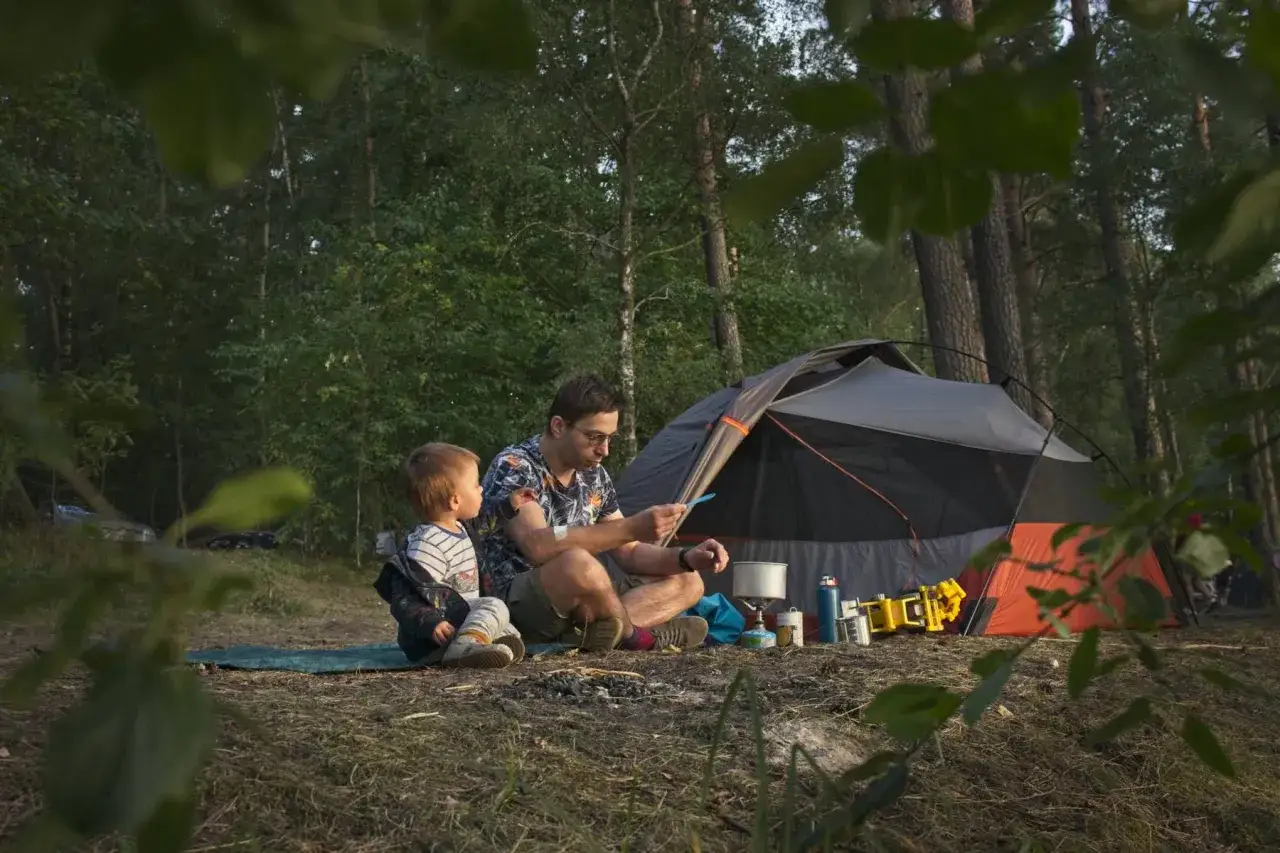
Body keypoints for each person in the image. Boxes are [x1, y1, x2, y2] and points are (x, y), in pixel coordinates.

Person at [475, 375, 729, 652]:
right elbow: (539, 544)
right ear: (558, 426)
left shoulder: (594, 475)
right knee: (578, 564)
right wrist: (632, 527)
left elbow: (630, 553)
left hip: (582, 601)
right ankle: (635, 637)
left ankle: (592, 634)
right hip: (519, 605)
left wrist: (686, 557)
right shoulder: (515, 466)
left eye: (609, 438)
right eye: (595, 437)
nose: (604, 450)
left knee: (688, 580)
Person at [373, 442, 525, 669]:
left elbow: (484, 522)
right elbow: (405, 594)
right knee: (494, 607)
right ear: (455, 500)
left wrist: (510, 504)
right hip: (432, 637)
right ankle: (465, 647)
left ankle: (480, 645)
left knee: (507, 626)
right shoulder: (427, 543)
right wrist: (431, 623)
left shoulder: (460, 527)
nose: (481, 489)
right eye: (476, 485)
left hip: (458, 618)